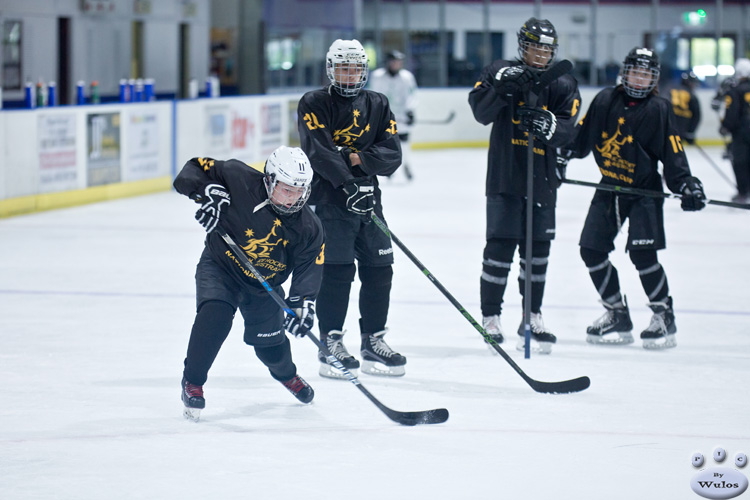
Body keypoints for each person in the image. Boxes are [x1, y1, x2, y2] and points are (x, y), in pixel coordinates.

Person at [565, 47, 706, 350]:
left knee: (643, 255)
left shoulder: (659, 108)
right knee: (591, 250)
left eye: (645, 74)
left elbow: (673, 152)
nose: (639, 79)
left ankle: (663, 315)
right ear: (625, 72)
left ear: (653, 78)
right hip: (611, 186)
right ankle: (617, 313)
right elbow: (581, 139)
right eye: (635, 72)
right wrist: (559, 154)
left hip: (644, 190)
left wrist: (686, 184)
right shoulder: (605, 99)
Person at [173, 146, 325, 421]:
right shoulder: (237, 176)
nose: (293, 199)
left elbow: (309, 268)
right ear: (269, 180)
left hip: (264, 284)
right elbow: (190, 171)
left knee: (270, 347)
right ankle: (192, 382)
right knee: (214, 317)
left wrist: (303, 304)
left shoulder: (309, 226)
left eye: (299, 191)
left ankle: (287, 376)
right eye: (286, 189)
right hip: (221, 267)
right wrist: (207, 192)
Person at [468, 17, 581, 354]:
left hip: (542, 179)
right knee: (499, 249)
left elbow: (570, 130)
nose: (541, 54)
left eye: (547, 49)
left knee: (537, 253)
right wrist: (502, 87)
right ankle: (491, 317)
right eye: (535, 47)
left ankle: (532, 315)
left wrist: (550, 126)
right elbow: (480, 111)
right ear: (523, 46)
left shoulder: (562, 82)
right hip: (505, 175)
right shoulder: (499, 70)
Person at [297, 39, 406, 378]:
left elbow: (392, 155)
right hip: (330, 201)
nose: (349, 74)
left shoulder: (378, 103)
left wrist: (357, 158)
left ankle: (373, 340)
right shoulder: (314, 102)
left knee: (380, 266)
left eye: (355, 68)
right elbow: (320, 152)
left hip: (370, 199)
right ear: (331, 69)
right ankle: (330, 343)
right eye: (343, 68)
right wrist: (347, 181)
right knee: (338, 272)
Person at [369, 50, 418, 181]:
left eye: (399, 62)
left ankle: (406, 164)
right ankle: (389, 167)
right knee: (384, 143)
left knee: (404, 142)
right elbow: (373, 95)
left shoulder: (407, 77)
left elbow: (412, 95)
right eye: (394, 61)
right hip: (384, 116)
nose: (396, 64)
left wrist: (410, 111)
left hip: (401, 116)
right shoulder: (377, 76)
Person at [721, 58, 750, 204]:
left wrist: (725, 126)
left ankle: (743, 192)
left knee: (740, 161)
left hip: (742, 132)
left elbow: (731, 112)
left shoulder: (735, 91)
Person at [668, 71, 701, 145]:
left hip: (667, 126)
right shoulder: (691, 95)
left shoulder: (669, 90)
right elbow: (696, 115)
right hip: (682, 127)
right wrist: (690, 132)